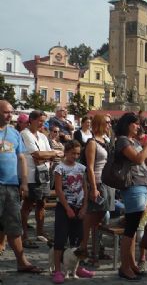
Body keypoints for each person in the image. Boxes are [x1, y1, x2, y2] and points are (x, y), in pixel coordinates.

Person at [115, 112, 147, 281]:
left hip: (142, 184)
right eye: (135, 124)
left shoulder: (133, 141)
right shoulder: (123, 141)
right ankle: (124, 267)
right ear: (127, 125)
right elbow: (139, 159)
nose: (138, 126)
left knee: (133, 229)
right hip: (132, 185)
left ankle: (131, 263)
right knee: (131, 228)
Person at [0, 100, 43, 274]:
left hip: (11, 185)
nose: (10, 115)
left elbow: (22, 158)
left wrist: (24, 181)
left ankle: (21, 261)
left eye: (11, 112)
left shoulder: (14, 133)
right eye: (5, 112)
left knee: (14, 225)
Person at [52, 140, 94, 283]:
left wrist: (84, 207)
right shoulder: (59, 168)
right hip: (64, 208)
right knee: (60, 239)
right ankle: (57, 270)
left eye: (78, 153)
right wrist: (67, 208)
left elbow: (85, 188)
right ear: (66, 152)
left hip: (79, 207)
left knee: (78, 239)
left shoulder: (81, 168)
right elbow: (58, 189)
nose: (75, 156)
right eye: (72, 153)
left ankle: (77, 267)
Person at [20, 110, 63, 248]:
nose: (42, 123)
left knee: (41, 204)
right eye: (39, 121)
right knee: (28, 205)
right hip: (31, 175)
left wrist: (48, 154)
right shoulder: (25, 134)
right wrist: (50, 154)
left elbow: (51, 154)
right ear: (31, 120)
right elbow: (37, 154)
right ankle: (24, 235)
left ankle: (40, 231)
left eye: (43, 121)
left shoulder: (43, 136)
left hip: (44, 174)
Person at [79, 114, 115, 266]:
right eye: (107, 122)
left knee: (101, 220)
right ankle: (83, 250)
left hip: (108, 183)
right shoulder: (92, 143)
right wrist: (94, 188)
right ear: (100, 123)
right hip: (99, 183)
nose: (109, 125)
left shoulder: (107, 141)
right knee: (92, 219)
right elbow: (90, 168)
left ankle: (95, 251)